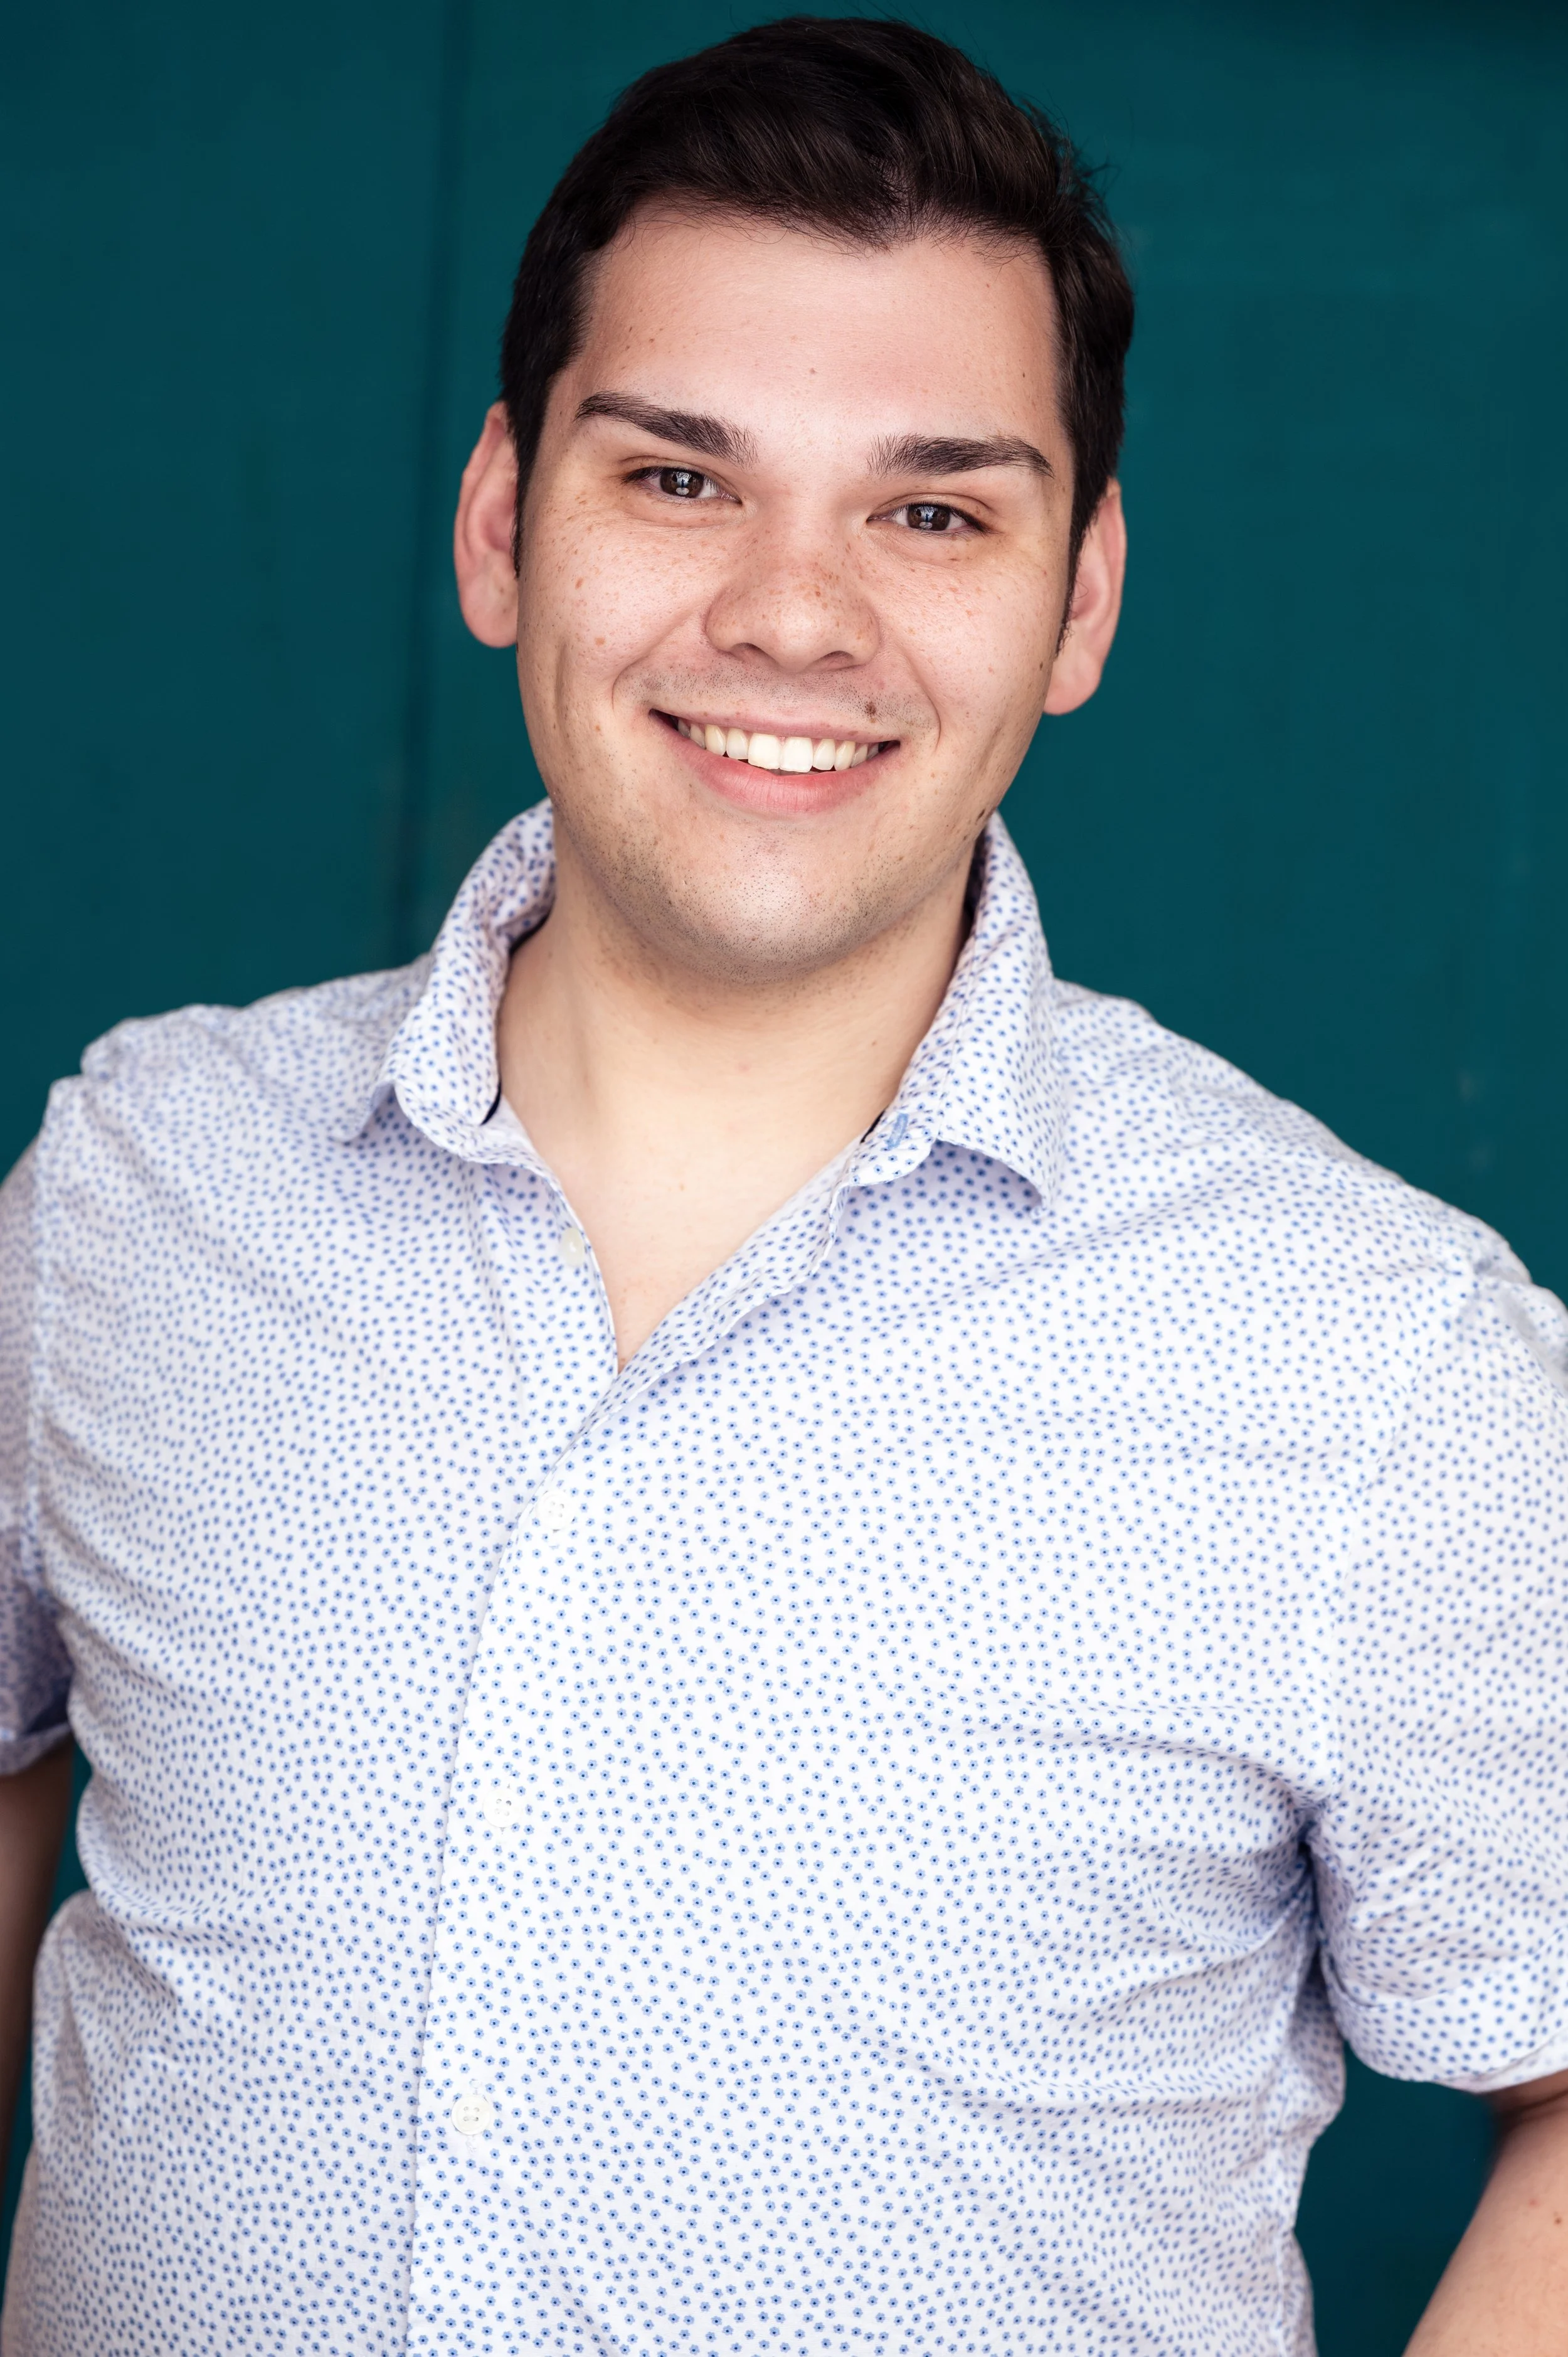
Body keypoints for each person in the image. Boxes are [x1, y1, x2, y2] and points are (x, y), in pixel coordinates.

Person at [2, 15, 1565, 2351]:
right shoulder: (142, 1175)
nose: (793, 614)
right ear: (497, 521)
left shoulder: (1374, 1358)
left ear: (1080, 600)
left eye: (932, 509)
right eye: (678, 478)